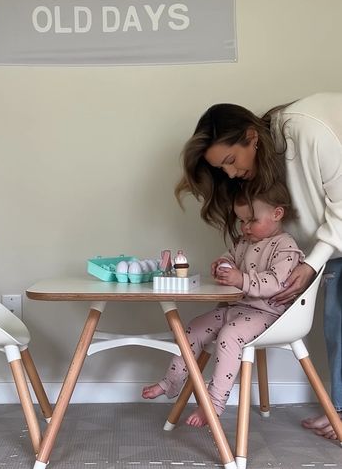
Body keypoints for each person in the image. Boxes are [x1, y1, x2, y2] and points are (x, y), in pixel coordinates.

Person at [159, 94, 342, 436]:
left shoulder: (306, 131)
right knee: (336, 317)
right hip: (329, 240)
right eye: (221, 168)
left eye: (231, 160)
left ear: (251, 137)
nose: (231, 173)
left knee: (339, 312)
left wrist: (313, 263)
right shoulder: (270, 170)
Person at [143, 189, 304, 425]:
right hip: (237, 308)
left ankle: (213, 404)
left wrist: (241, 280)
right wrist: (223, 265)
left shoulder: (285, 247)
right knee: (195, 327)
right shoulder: (245, 242)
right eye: (242, 221)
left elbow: (277, 283)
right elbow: (231, 256)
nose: (245, 227)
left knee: (230, 336)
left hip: (268, 315)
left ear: (277, 214)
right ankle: (171, 382)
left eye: (252, 220)